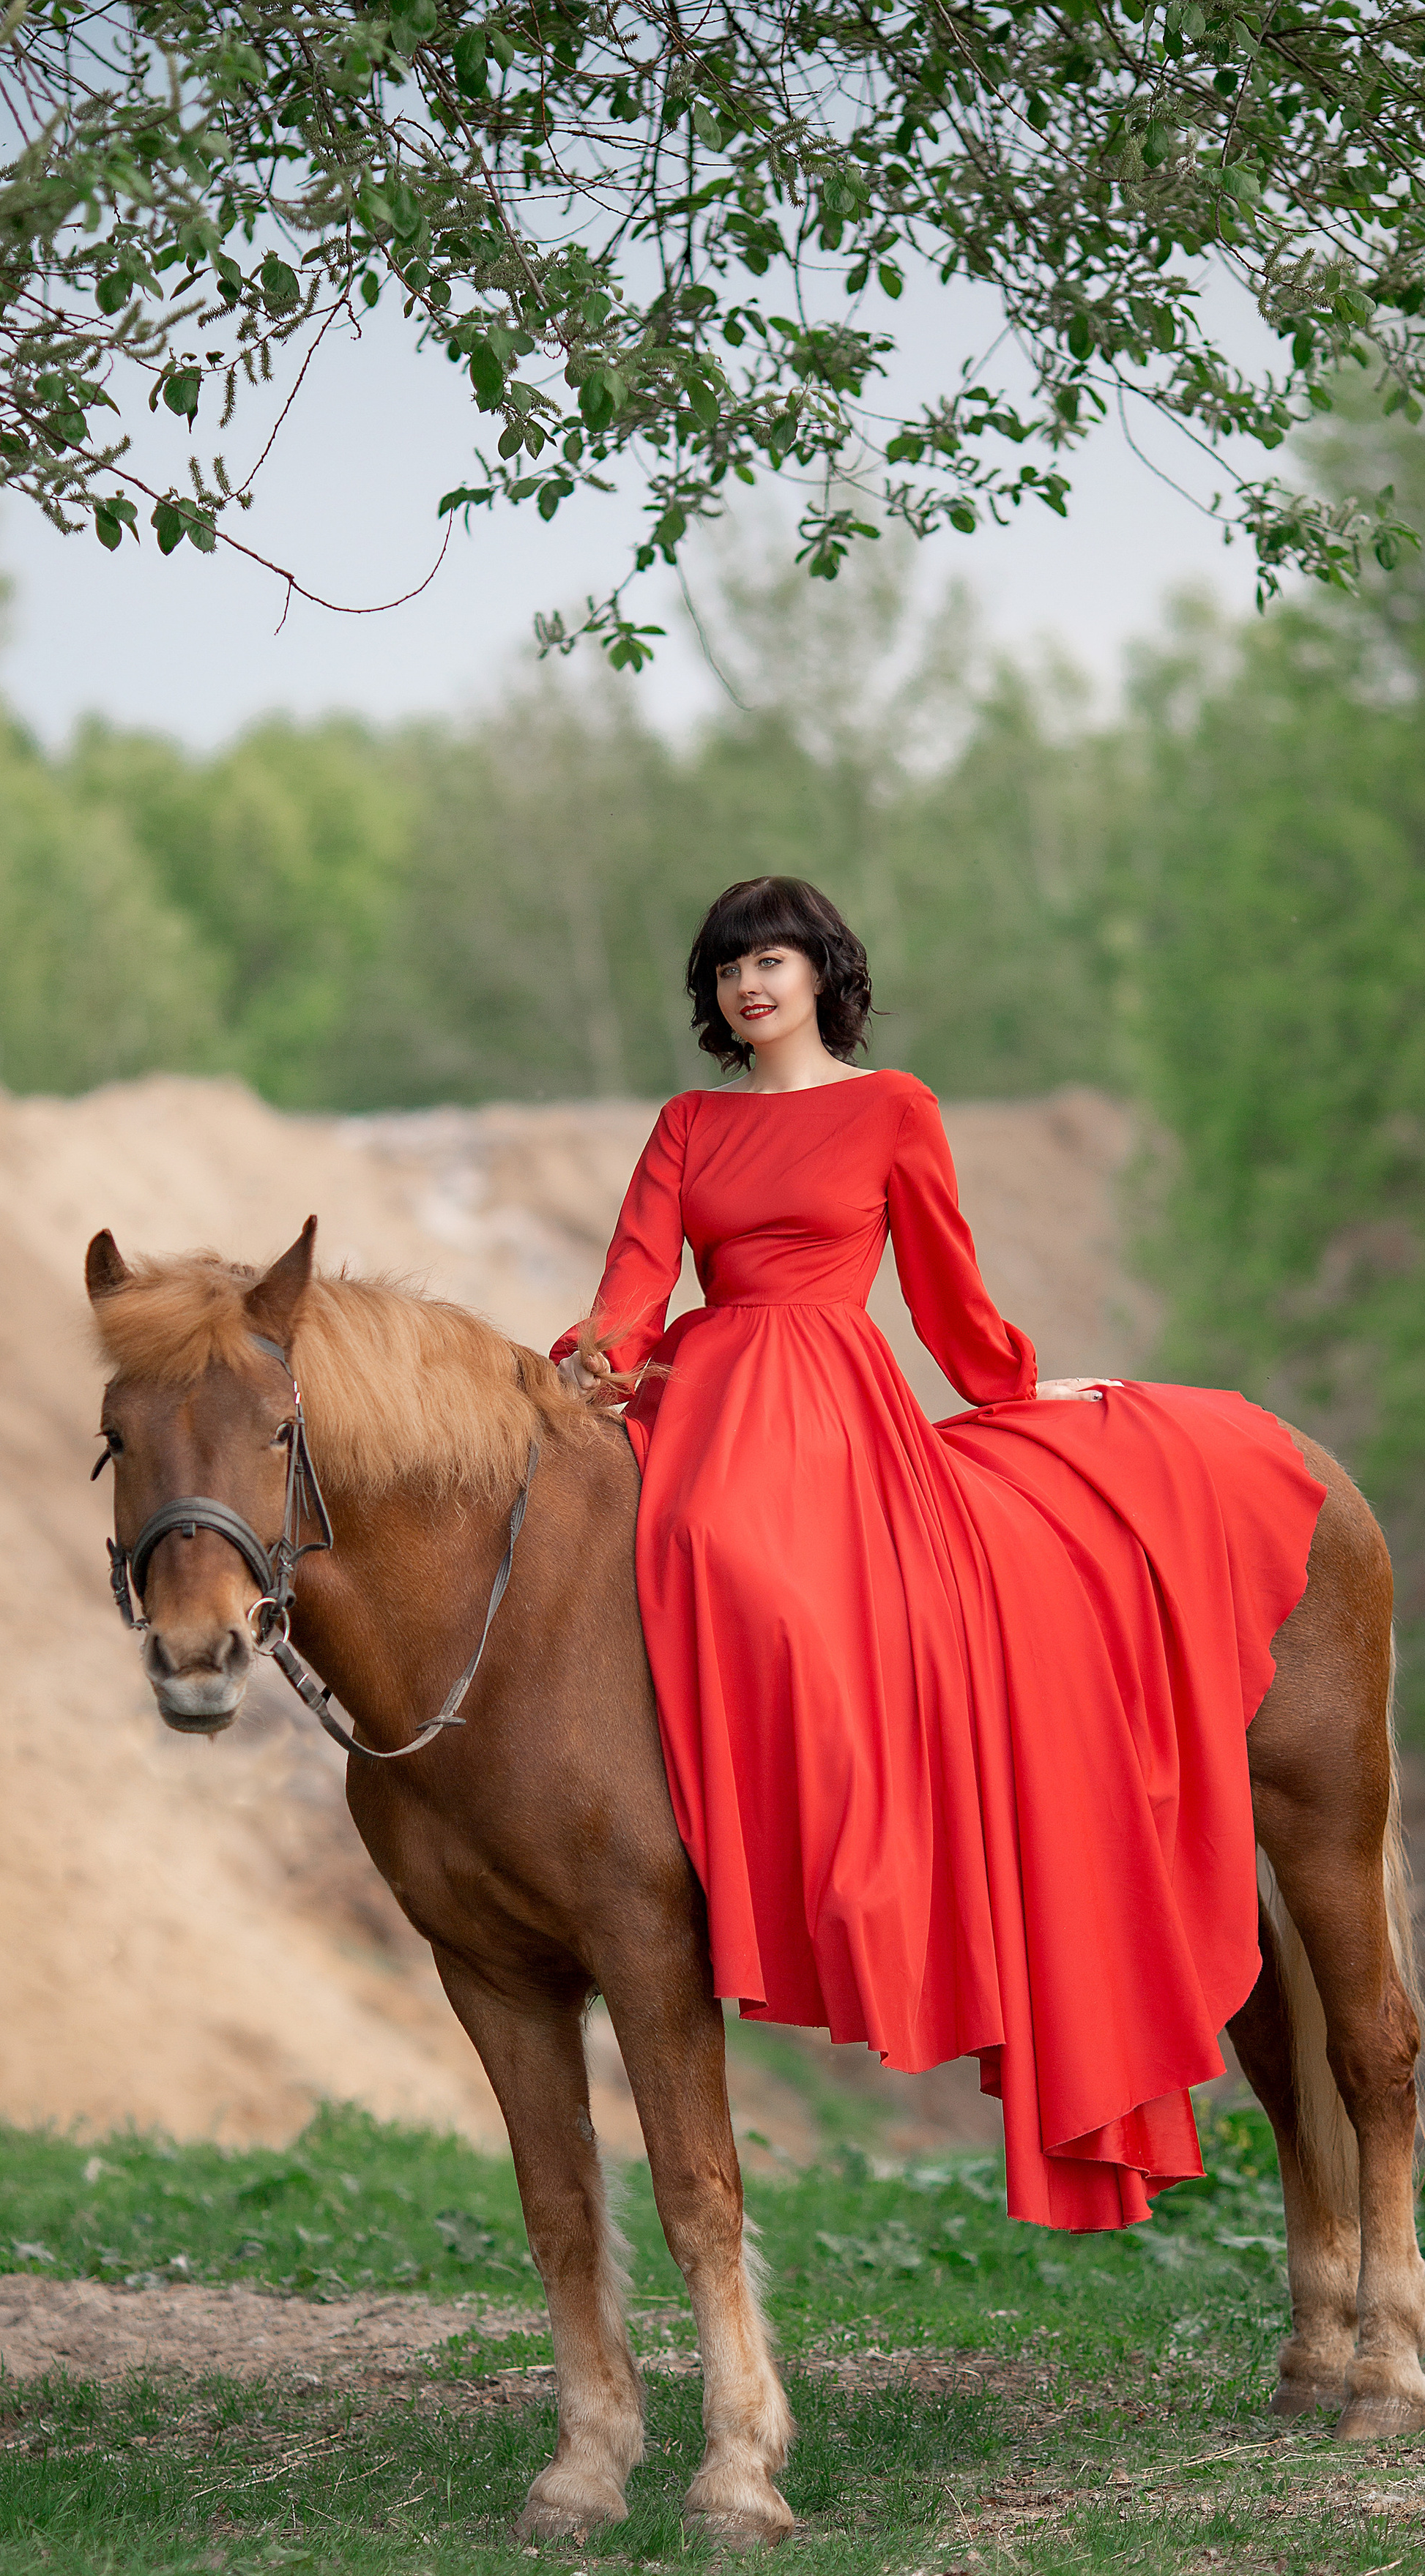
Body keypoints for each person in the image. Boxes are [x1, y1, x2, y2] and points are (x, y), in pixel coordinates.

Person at [553, 877, 1325, 2230]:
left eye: (773, 959)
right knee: (699, 1540)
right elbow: (636, 1280)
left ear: (821, 974)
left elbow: (946, 1288)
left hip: (837, 1397)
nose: (750, 984)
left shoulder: (895, 1108)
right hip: (718, 1389)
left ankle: (872, 1876)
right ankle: (766, 1863)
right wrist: (595, 1362)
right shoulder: (689, 1122)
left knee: (799, 1586)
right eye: (730, 966)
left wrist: (1024, 1392)